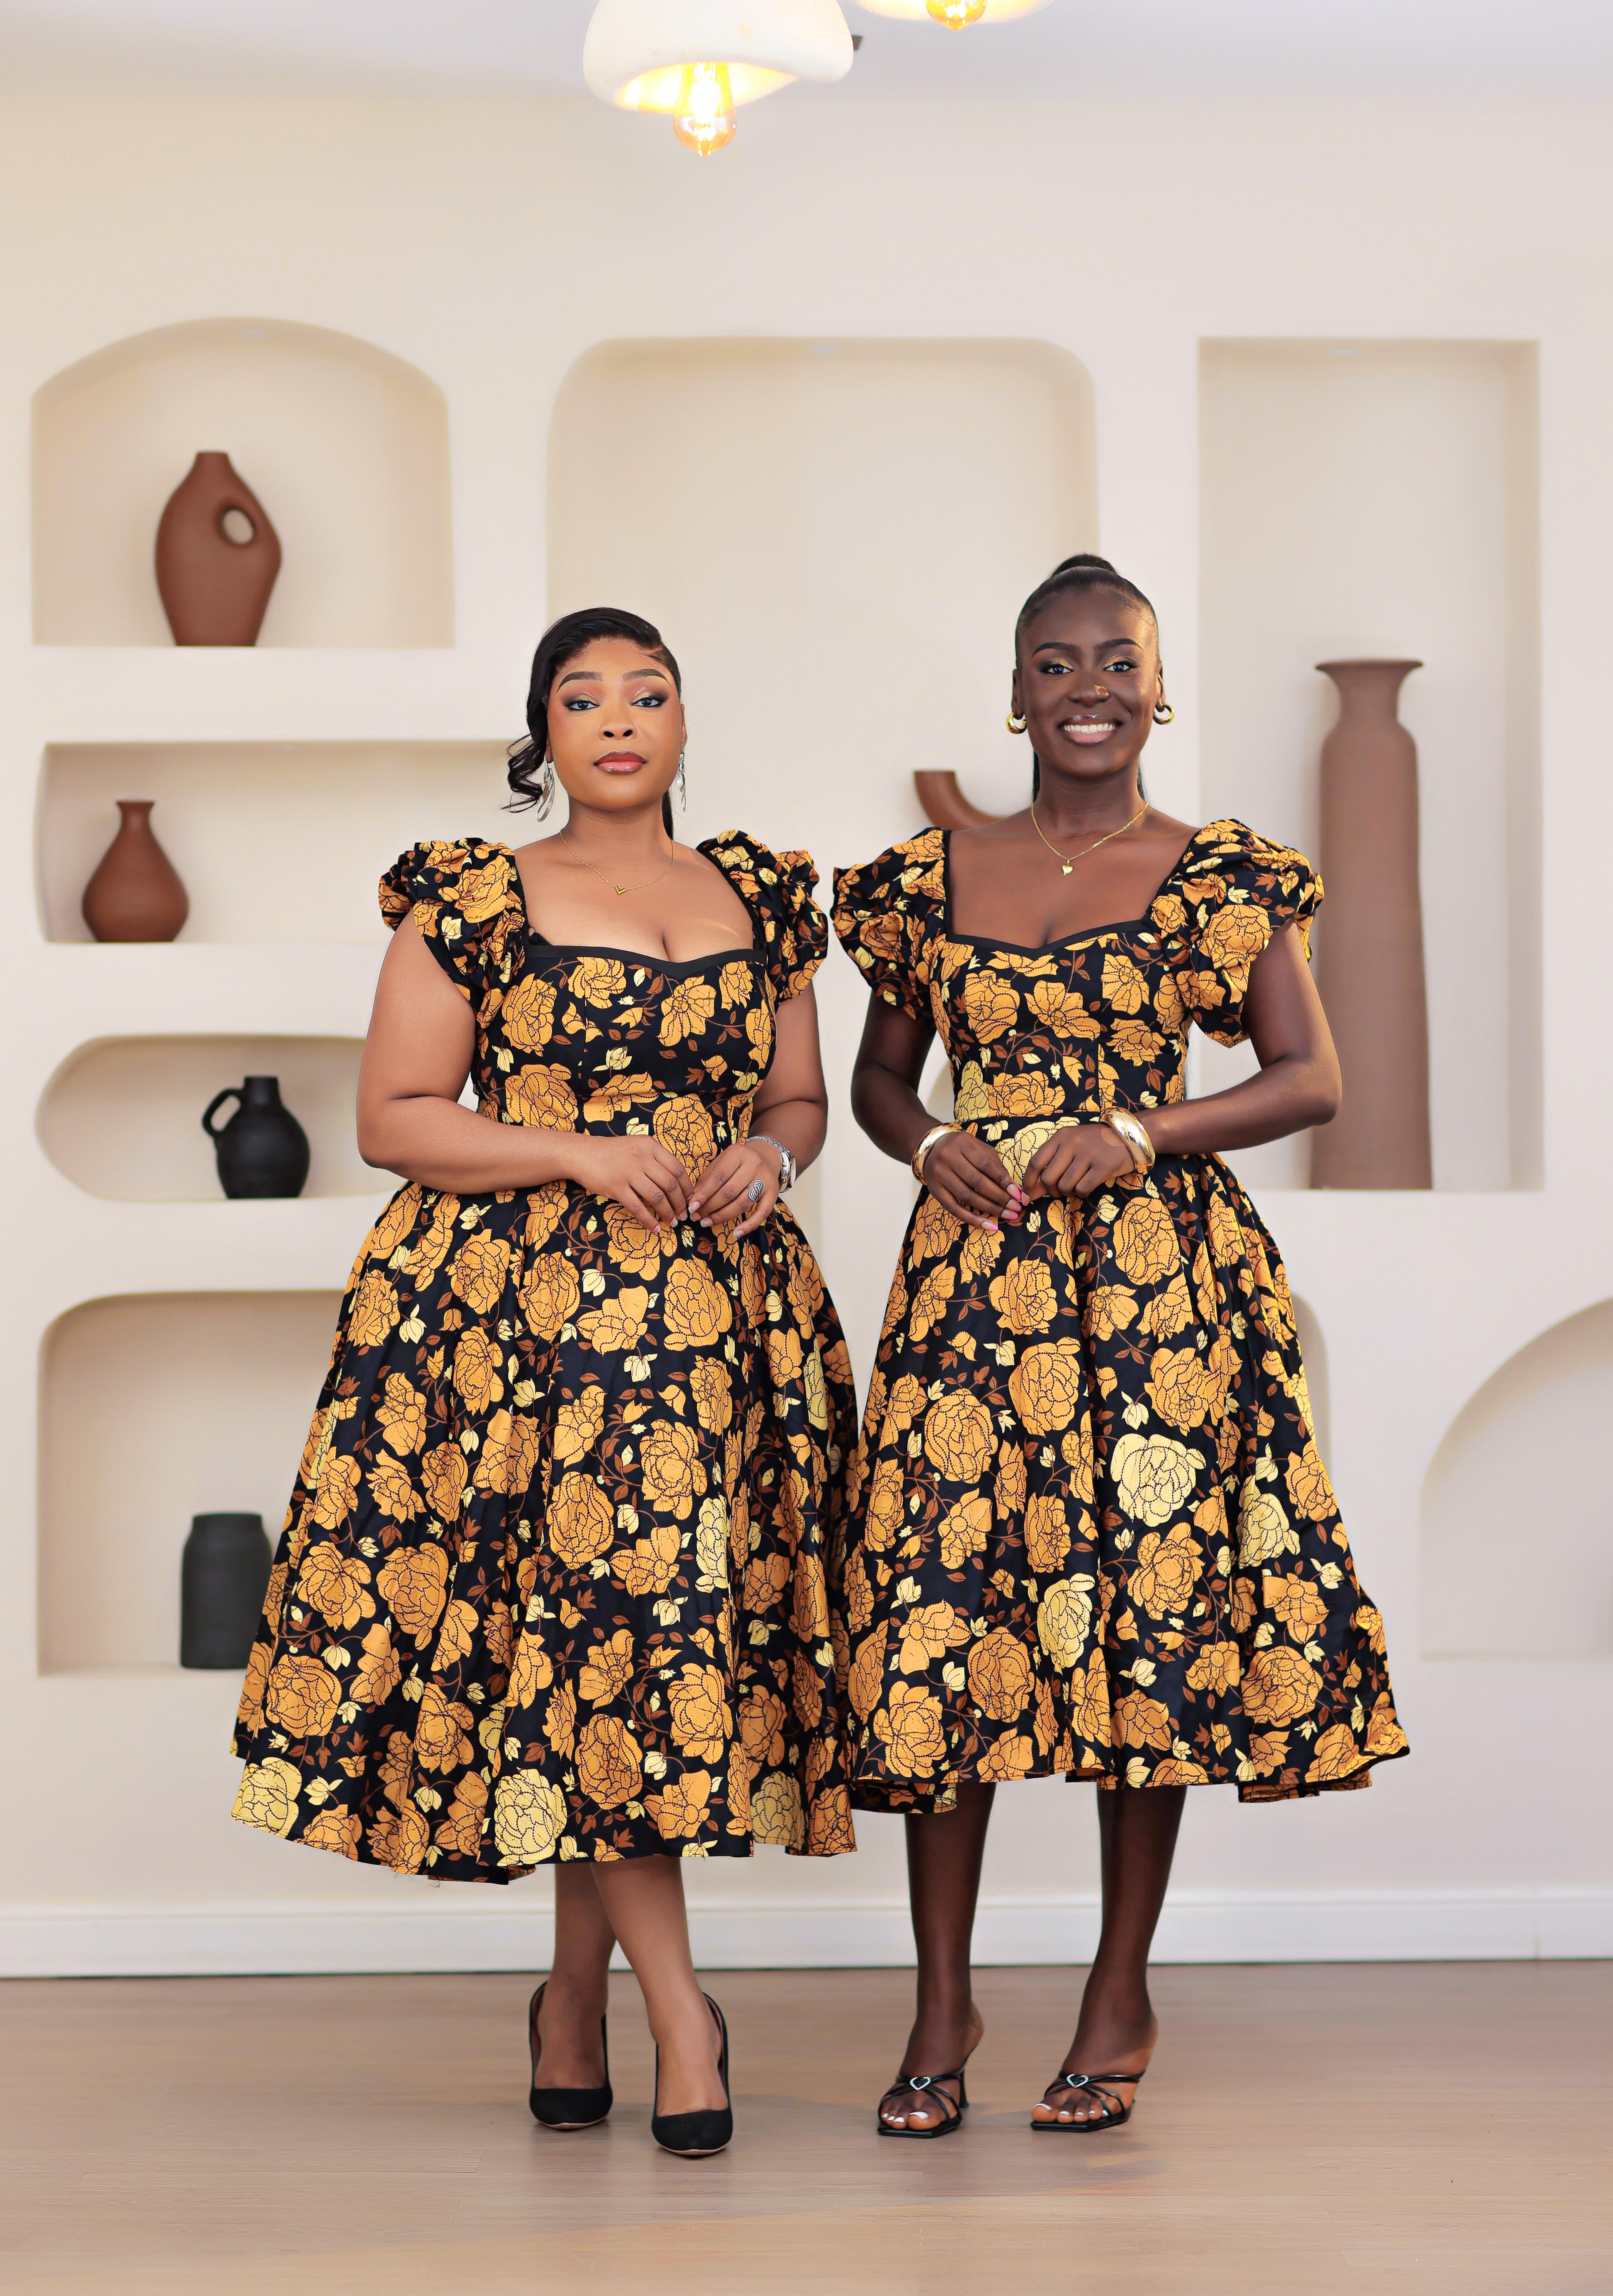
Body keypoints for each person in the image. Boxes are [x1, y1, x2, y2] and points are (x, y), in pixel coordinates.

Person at [233, 607, 858, 2159]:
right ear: (544, 732)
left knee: (625, 1659)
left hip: (718, 1327)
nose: (620, 720)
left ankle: (568, 1999)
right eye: (584, 699)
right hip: (517, 1334)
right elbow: (393, 1114)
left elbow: (797, 1091)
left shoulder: (765, 897)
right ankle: (684, 2022)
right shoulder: (475, 898)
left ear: (685, 721)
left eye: (649, 693)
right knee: (602, 1644)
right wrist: (580, 1149)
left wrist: (772, 1156)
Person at [831, 553, 1406, 2139]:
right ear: (1013, 691)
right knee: (946, 1626)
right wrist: (925, 1142)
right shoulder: (924, 876)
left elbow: (1309, 1078)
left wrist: (1143, 1131)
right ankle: (941, 2001)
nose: (1090, 687)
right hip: (972, 1286)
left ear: (1162, 689)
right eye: (1057, 661)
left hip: (1159, 1290)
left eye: (1120, 661)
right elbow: (884, 1077)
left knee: (1138, 1627)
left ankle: (1116, 1992)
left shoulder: (1225, 874)